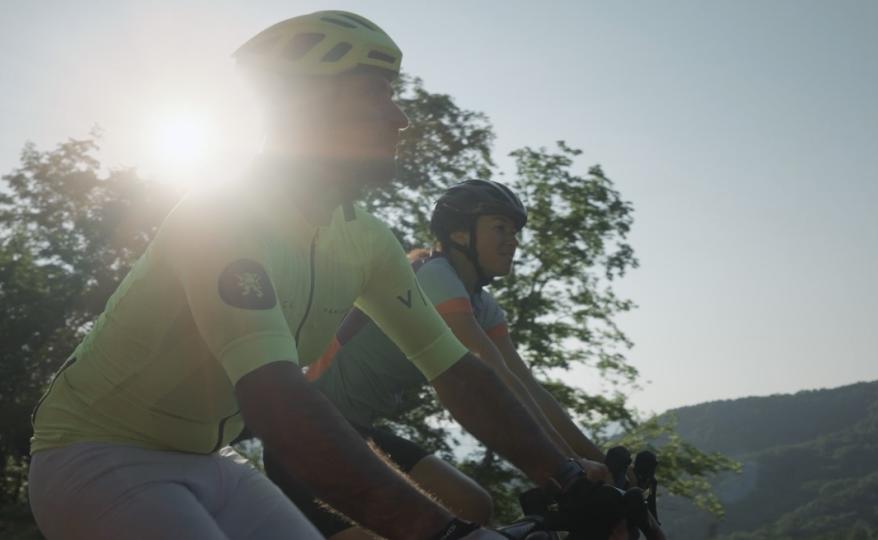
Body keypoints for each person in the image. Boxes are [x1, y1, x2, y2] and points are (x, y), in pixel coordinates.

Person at [28, 10, 610, 540]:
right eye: (377, 92)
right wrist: (445, 534)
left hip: (211, 460)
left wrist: (569, 477)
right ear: (305, 106)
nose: (400, 116)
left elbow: (458, 371)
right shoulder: (221, 217)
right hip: (94, 453)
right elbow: (277, 398)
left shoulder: (365, 238)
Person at [266, 179, 610, 539]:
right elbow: (489, 375)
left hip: (354, 432)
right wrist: (565, 468)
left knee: (472, 507)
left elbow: (524, 383)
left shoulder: (482, 304)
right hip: (306, 431)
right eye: (500, 228)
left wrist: (595, 459)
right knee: (456, 512)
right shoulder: (435, 276)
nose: (513, 240)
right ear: (461, 234)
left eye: (515, 231)